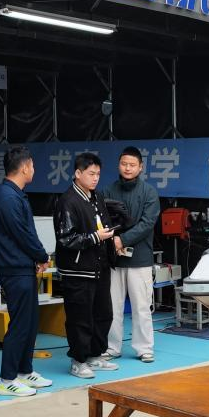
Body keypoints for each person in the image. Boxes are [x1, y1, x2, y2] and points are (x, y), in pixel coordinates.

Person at [0, 145, 53, 397]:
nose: (34, 169)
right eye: (33, 165)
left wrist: (37, 257)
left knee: (30, 322)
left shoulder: (15, 195)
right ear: (25, 167)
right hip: (14, 269)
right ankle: (7, 379)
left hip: (23, 266)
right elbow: (22, 234)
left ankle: (24, 371)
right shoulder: (7, 197)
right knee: (19, 324)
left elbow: (27, 232)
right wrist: (41, 255)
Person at [53, 152, 120, 379]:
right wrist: (95, 237)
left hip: (99, 265)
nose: (95, 178)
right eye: (91, 174)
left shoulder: (96, 196)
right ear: (77, 173)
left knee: (103, 313)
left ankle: (94, 354)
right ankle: (78, 360)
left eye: (98, 174)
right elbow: (66, 238)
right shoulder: (68, 201)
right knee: (80, 317)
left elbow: (104, 225)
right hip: (78, 269)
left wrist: (111, 240)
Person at [102, 147, 162, 363]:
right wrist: (113, 241)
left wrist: (122, 240)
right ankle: (111, 347)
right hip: (114, 259)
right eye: (124, 164)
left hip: (140, 259)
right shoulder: (107, 191)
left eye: (132, 165)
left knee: (141, 306)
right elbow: (101, 220)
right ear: (118, 165)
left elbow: (147, 224)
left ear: (140, 167)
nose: (127, 168)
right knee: (112, 306)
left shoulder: (149, 193)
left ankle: (144, 348)